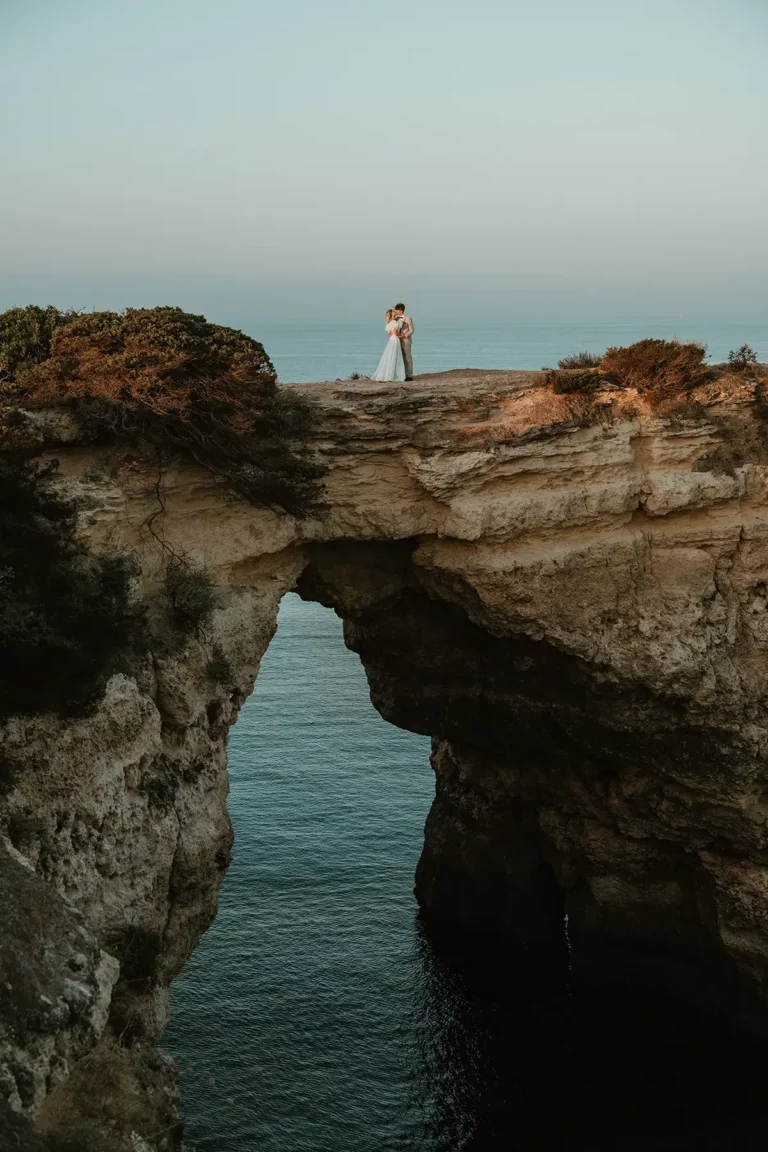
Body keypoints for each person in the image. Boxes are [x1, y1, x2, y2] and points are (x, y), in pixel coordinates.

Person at [372, 308, 406, 382]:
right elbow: (395, 333)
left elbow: (390, 333)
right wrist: (402, 335)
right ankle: (392, 375)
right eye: (393, 311)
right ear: (392, 314)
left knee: (390, 356)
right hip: (395, 340)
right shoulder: (394, 322)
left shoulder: (389, 323)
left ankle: (388, 374)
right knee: (394, 356)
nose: (395, 311)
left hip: (391, 340)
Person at [393, 303, 414, 380]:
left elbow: (412, 330)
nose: (395, 311)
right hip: (397, 341)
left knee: (408, 358)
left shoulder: (408, 318)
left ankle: (409, 375)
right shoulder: (395, 319)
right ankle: (402, 375)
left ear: (401, 310)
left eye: (396, 310)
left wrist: (405, 336)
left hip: (406, 341)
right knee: (400, 358)